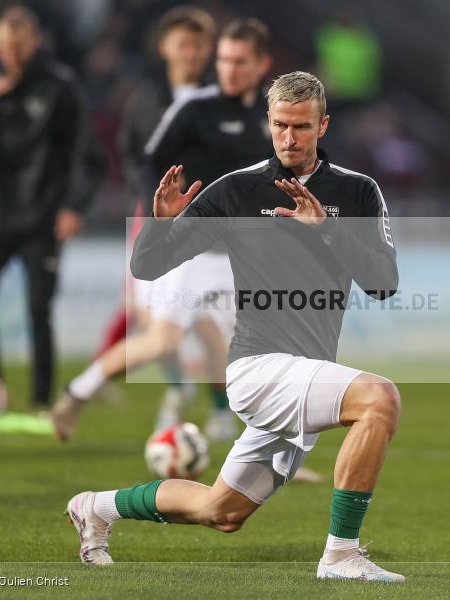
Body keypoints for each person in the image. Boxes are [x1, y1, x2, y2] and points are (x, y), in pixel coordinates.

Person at [66, 71, 405, 582]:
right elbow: (148, 267)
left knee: (221, 511)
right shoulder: (237, 189)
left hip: (305, 371)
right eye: (280, 125)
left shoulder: (358, 192)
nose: (290, 138)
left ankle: (96, 506)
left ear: (324, 125)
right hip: (259, 366)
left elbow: (384, 283)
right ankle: (341, 554)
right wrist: (159, 227)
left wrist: (328, 229)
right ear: (268, 123)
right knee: (379, 399)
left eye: (302, 127)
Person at [52, 18, 273, 442]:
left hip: (241, 252)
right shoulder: (195, 109)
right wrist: (163, 203)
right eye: (224, 59)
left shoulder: (274, 115)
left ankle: (254, 440)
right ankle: (76, 394)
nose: (229, 69)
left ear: (261, 64)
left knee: (235, 350)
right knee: (160, 339)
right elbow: (150, 160)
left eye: (240, 61)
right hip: (190, 246)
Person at [0, 5, 104, 410]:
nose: (10, 55)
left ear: (34, 43)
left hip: (42, 218)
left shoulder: (59, 86)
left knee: (37, 307)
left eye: (17, 46)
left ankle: (40, 400)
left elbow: (91, 158)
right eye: (3, 48)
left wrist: (74, 208)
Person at [77, 6, 217, 425]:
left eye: (198, 45)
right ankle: (177, 390)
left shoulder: (220, 96)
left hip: (208, 217)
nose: (191, 53)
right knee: (147, 309)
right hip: (155, 214)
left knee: (207, 313)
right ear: (165, 47)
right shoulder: (147, 94)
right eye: (183, 44)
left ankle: (220, 409)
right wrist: (150, 194)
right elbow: (130, 149)